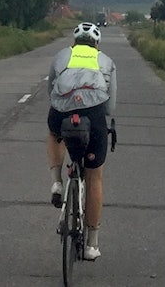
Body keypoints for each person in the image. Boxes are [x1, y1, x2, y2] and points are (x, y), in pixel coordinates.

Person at [46, 21, 117, 261]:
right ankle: (91, 245)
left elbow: (51, 92)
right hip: (94, 114)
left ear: (74, 42)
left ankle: (57, 182)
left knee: (54, 132)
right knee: (94, 176)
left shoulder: (62, 56)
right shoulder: (106, 61)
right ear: (97, 44)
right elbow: (110, 106)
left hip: (63, 111)